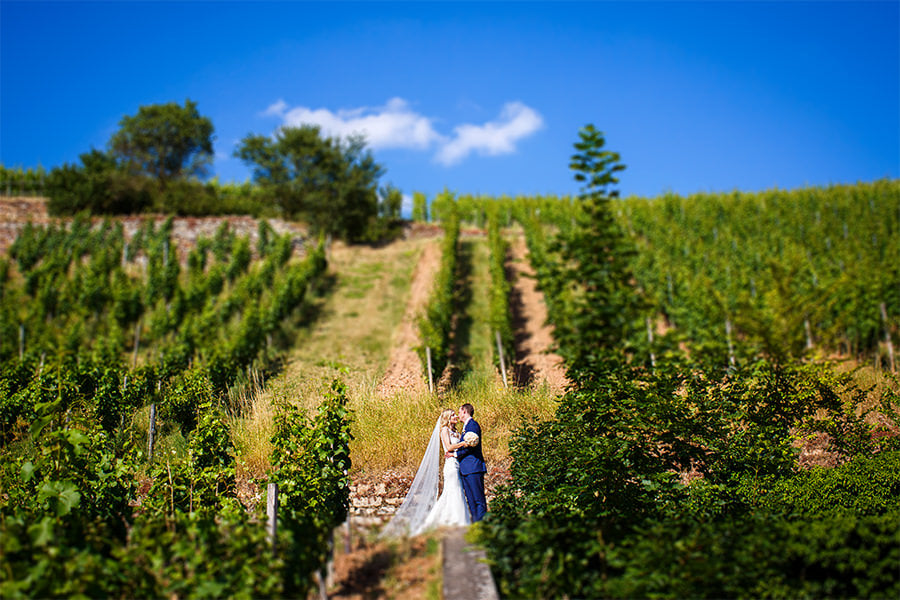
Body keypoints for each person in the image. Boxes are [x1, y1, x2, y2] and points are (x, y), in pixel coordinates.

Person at [380, 409, 471, 538]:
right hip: (451, 466)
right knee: (454, 490)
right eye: (453, 415)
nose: (456, 416)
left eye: (455, 414)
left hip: (457, 463)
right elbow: (449, 447)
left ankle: (451, 520)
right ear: (447, 418)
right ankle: (458, 522)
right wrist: (464, 443)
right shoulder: (444, 430)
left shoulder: (456, 432)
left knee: (454, 491)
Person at [448, 403, 487, 522]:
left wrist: (455, 454)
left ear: (464, 411)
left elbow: (470, 446)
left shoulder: (472, 425)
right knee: (471, 500)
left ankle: (482, 526)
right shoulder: (465, 427)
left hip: (473, 467)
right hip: (466, 469)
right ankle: (476, 525)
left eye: (459, 412)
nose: (458, 415)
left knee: (478, 499)